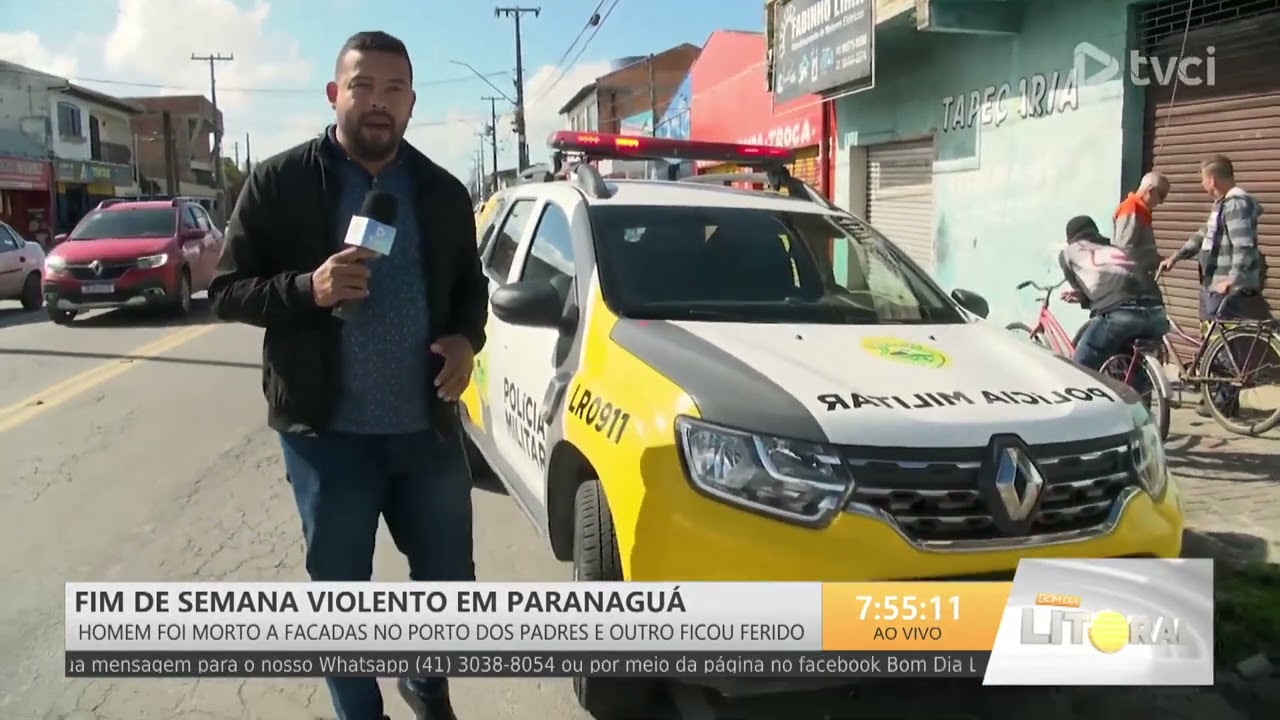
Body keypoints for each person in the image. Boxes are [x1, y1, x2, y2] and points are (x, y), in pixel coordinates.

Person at [208, 30, 487, 720]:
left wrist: (465, 341)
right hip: (326, 434)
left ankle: (426, 682)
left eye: (394, 90)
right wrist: (310, 288)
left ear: (412, 104)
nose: (378, 103)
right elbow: (226, 290)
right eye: (363, 86)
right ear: (336, 94)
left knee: (449, 585)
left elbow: (470, 290)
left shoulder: (442, 192)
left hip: (425, 428)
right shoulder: (280, 183)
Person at [1159, 155, 1266, 417]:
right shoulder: (1222, 205)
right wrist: (1176, 256)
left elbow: (1244, 244)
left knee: (1221, 344)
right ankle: (1216, 399)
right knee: (1213, 342)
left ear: (1213, 179)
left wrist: (1233, 277)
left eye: (1203, 180)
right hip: (1214, 283)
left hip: (1225, 286)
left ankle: (1224, 403)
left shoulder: (1235, 204)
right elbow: (1202, 237)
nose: (1202, 185)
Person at [1059, 216, 1170, 377]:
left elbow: (1080, 287)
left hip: (1121, 316)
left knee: (1079, 371)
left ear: (1070, 238)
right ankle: (1142, 397)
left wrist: (1082, 297)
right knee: (1134, 367)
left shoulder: (1069, 252)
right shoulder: (1115, 248)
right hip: (1158, 315)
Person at [1113, 171, 1169, 281]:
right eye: (1161, 196)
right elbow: (1124, 249)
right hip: (1133, 283)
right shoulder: (1131, 208)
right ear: (1151, 191)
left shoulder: (1141, 211)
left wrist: (1157, 260)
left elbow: (1142, 248)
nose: (1161, 202)